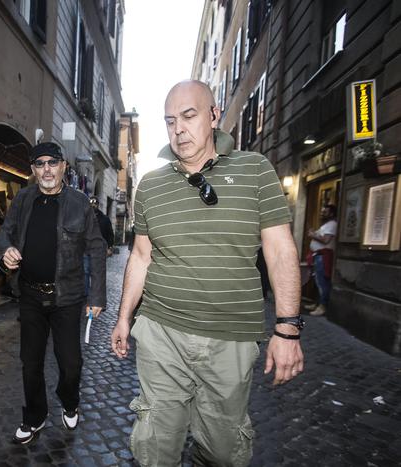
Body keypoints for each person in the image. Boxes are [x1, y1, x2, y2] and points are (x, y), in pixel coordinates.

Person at [110, 80, 304, 466]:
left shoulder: (255, 171)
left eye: (188, 116)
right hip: (161, 331)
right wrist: (124, 317)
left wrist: (287, 329)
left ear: (214, 116)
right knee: (154, 444)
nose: (178, 129)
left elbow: (280, 251)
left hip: (231, 338)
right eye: (170, 121)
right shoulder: (150, 185)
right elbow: (142, 256)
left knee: (222, 450)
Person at [0, 142, 106, 444]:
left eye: (52, 163)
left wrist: (97, 296)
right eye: (40, 164)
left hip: (67, 298)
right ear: (33, 169)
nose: (46, 170)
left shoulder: (79, 202)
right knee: (30, 362)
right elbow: (4, 233)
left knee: (71, 364)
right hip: (30, 295)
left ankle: (69, 400)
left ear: (63, 166)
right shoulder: (23, 199)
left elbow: (96, 248)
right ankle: (35, 415)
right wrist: (5, 251)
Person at [305, 204, 337, 316]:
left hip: (323, 257)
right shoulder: (326, 225)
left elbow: (326, 240)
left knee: (322, 282)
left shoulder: (332, 224)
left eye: (325, 212)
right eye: (322, 211)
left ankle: (322, 306)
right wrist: (314, 234)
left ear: (331, 214)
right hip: (318, 256)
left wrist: (312, 235)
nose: (322, 214)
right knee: (318, 281)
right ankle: (317, 303)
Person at [84, 196, 115, 294]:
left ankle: (96, 294)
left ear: (98, 205)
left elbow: (110, 234)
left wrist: (110, 247)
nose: (93, 205)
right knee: (85, 272)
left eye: (95, 203)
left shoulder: (105, 219)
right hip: (85, 249)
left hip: (99, 251)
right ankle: (86, 294)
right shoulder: (84, 217)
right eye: (91, 204)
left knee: (97, 273)